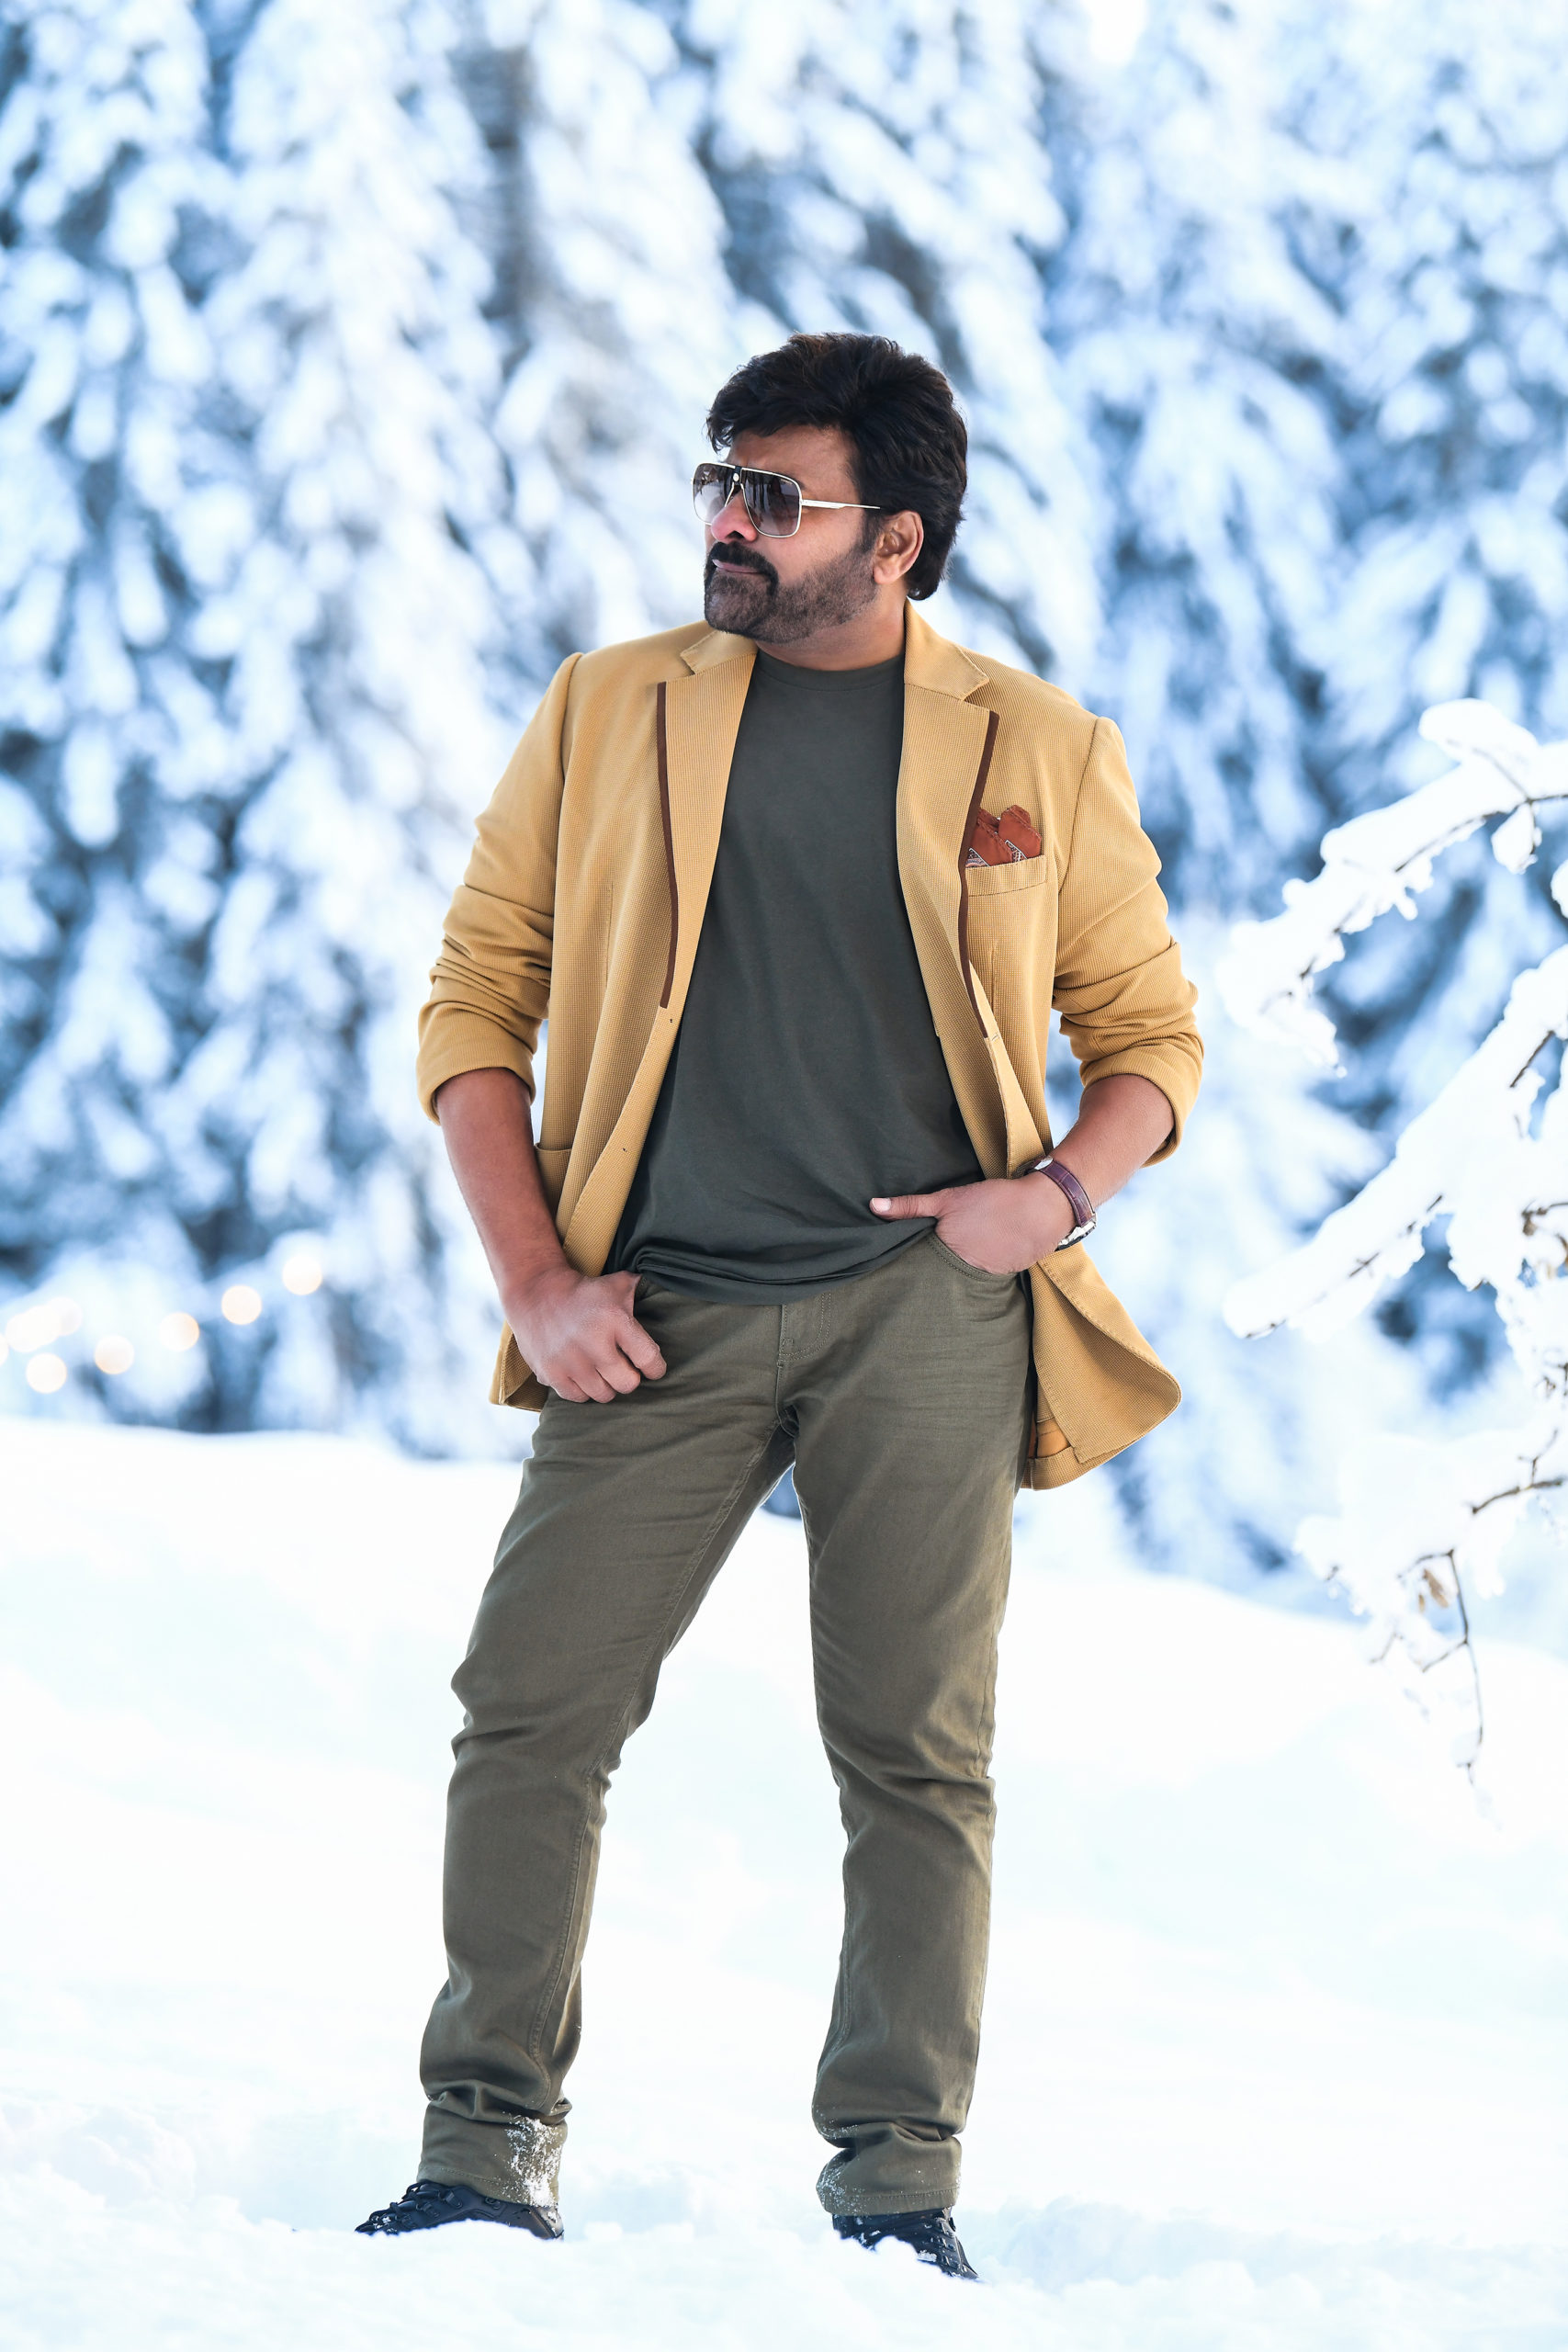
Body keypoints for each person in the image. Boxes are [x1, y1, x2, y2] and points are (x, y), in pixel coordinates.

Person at [357, 333, 1201, 2278]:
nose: (727, 525)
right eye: (718, 484)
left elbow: (1148, 1038)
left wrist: (1055, 1196)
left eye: (774, 497)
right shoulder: (609, 708)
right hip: (653, 1310)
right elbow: (474, 1000)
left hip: (926, 1309)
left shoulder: (1036, 746)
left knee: (915, 1752)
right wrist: (536, 1280)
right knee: (529, 1710)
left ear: (894, 540)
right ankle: (481, 2149)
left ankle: (897, 2190)